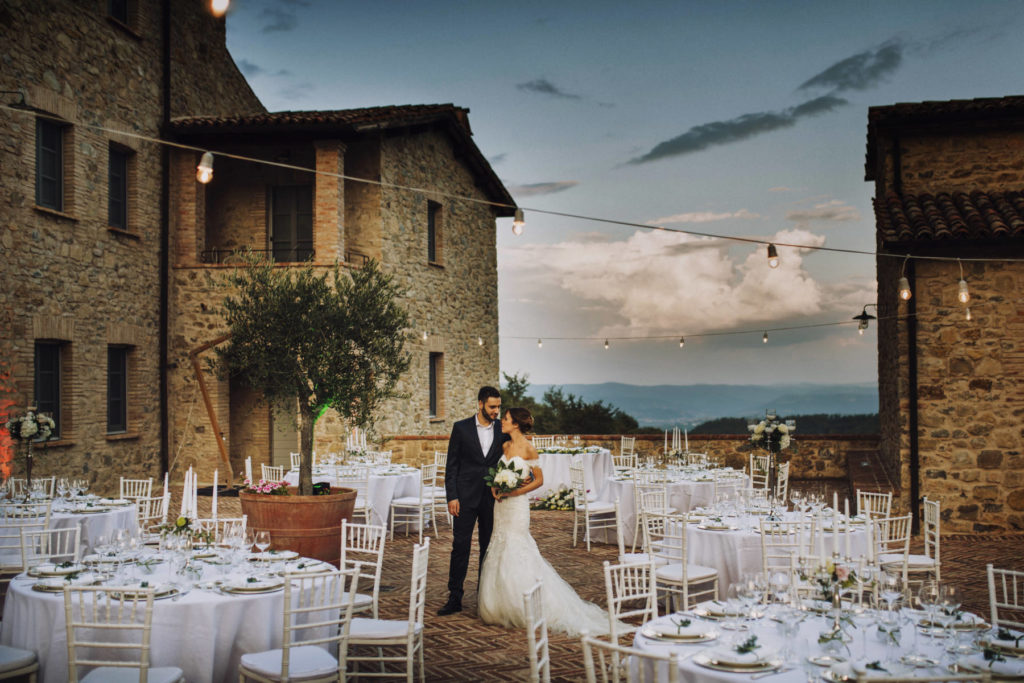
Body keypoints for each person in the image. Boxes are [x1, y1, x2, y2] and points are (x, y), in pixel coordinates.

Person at [477, 407, 619, 636]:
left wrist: (513, 492)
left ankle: (524, 604)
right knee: (499, 544)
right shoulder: (504, 446)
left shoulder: (529, 449)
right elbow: (498, 473)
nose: (502, 421)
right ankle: (497, 605)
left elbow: (539, 481)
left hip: (516, 506)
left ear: (516, 424)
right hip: (500, 507)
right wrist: (496, 486)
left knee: (518, 546)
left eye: (506, 419)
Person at [437, 386, 510, 616]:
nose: (496, 411)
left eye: (498, 406)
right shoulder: (461, 428)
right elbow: (452, 466)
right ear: (480, 404)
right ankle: (455, 597)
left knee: (488, 549)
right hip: (464, 499)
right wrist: (452, 496)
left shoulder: (503, 430)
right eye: (492, 406)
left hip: (492, 500)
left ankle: (484, 597)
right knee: (460, 547)